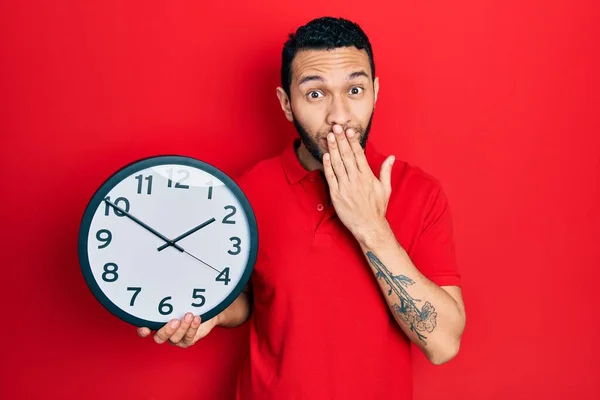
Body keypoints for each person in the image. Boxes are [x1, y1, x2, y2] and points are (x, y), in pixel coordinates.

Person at [137, 16, 466, 400]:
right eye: (315, 94)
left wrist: (369, 226)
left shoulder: (420, 192)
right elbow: (249, 299)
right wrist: (212, 314)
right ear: (286, 103)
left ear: (375, 92)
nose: (339, 116)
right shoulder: (245, 193)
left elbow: (442, 345)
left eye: (355, 90)